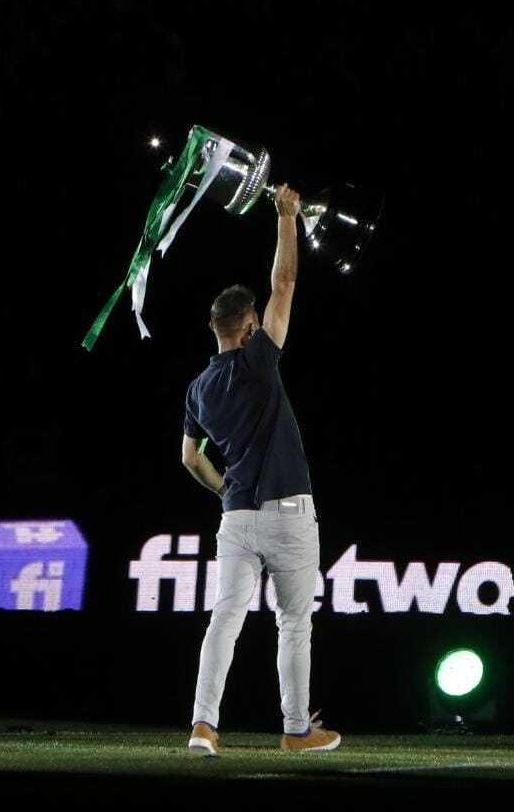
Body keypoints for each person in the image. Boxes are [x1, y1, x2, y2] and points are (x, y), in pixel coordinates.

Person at [179, 185, 341, 756]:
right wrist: (285, 216)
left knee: (224, 619)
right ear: (248, 329)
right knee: (294, 624)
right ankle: (296, 732)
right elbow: (285, 283)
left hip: (236, 517)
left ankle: (203, 726)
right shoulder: (259, 360)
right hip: (288, 514)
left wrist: (226, 488)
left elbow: (189, 459)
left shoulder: (199, 388)